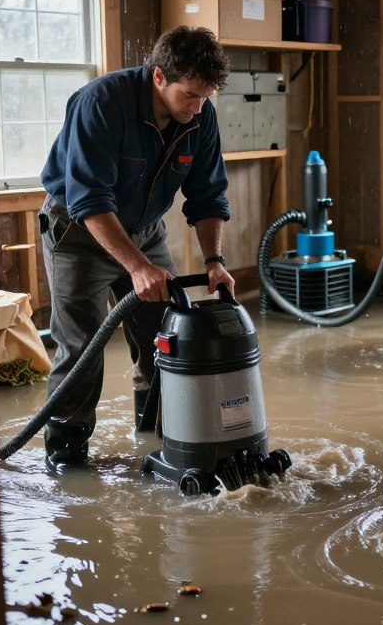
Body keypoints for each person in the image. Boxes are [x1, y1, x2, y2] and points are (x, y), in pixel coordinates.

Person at [38, 26, 235, 470]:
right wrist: (138, 268)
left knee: (167, 336)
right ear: (159, 76)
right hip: (78, 231)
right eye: (190, 96)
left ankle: (155, 437)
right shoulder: (101, 104)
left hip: (144, 229)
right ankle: (67, 457)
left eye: (206, 97)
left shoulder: (200, 116)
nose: (198, 107)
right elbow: (89, 199)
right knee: (82, 347)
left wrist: (214, 261)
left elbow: (207, 196)